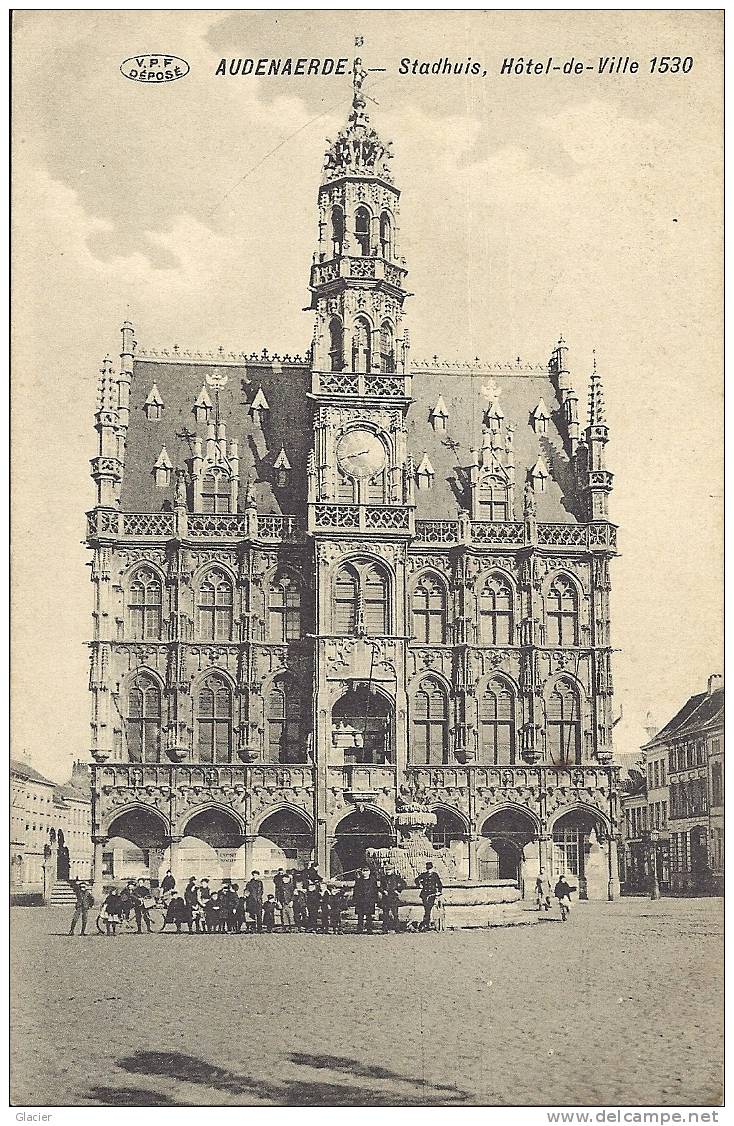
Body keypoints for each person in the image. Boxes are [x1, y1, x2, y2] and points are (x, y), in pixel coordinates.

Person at [415, 862, 443, 932]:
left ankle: (426, 924)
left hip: (432, 894)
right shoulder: (424, 875)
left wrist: (439, 891)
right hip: (424, 894)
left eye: (430, 869)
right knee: (427, 909)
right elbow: (416, 880)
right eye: (428, 869)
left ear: (432, 868)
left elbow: (439, 884)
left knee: (428, 909)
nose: (429, 870)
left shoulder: (435, 875)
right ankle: (426, 924)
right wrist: (419, 885)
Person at [379, 865, 406, 933]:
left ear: (393, 870)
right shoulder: (383, 878)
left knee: (395, 914)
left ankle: (397, 928)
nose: (388, 871)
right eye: (387, 870)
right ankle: (385, 929)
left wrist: (398, 890)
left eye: (389, 870)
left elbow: (404, 884)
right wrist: (383, 891)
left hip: (393, 897)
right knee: (385, 914)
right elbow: (380, 887)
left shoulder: (396, 877)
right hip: (386, 897)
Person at [352, 865, 379, 934]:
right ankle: (359, 929)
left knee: (369, 916)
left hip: (369, 900)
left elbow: (375, 890)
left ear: (369, 872)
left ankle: (369, 929)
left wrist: (375, 899)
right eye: (364, 871)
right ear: (361, 872)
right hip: (360, 901)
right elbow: (356, 891)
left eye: (367, 871)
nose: (365, 873)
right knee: (360, 916)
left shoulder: (373, 880)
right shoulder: (359, 881)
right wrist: (355, 900)